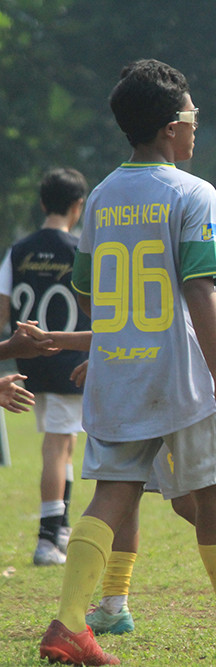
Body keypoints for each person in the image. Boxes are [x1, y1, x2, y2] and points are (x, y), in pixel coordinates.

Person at [38, 59, 216, 665]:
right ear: (169, 127)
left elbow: (90, 291)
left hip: (120, 373)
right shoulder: (194, 193)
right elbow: (200, 290)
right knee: (214, 499)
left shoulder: (102, 196)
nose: (196, 127)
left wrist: (108, 350)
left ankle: (68, 625)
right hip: (181, 377)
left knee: (110, 494)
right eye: (192, 117)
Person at [19, 325, 216, 635]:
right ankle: (114, 603)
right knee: (124, 488)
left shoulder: (172, 282)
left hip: (176, 391)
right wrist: (108, 356)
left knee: (193, 500)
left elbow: (175, 321)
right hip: (140, 382)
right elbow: (129, 325)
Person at [0, 167, 91, 566]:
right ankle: (47, 538)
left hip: (30, 360)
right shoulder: (80, 251)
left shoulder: (18, 250)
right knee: (57, 445)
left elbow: (3, 308)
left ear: (42, 203)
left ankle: (62, 528)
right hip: (72, 361)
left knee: (65, 441)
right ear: (78, 206)